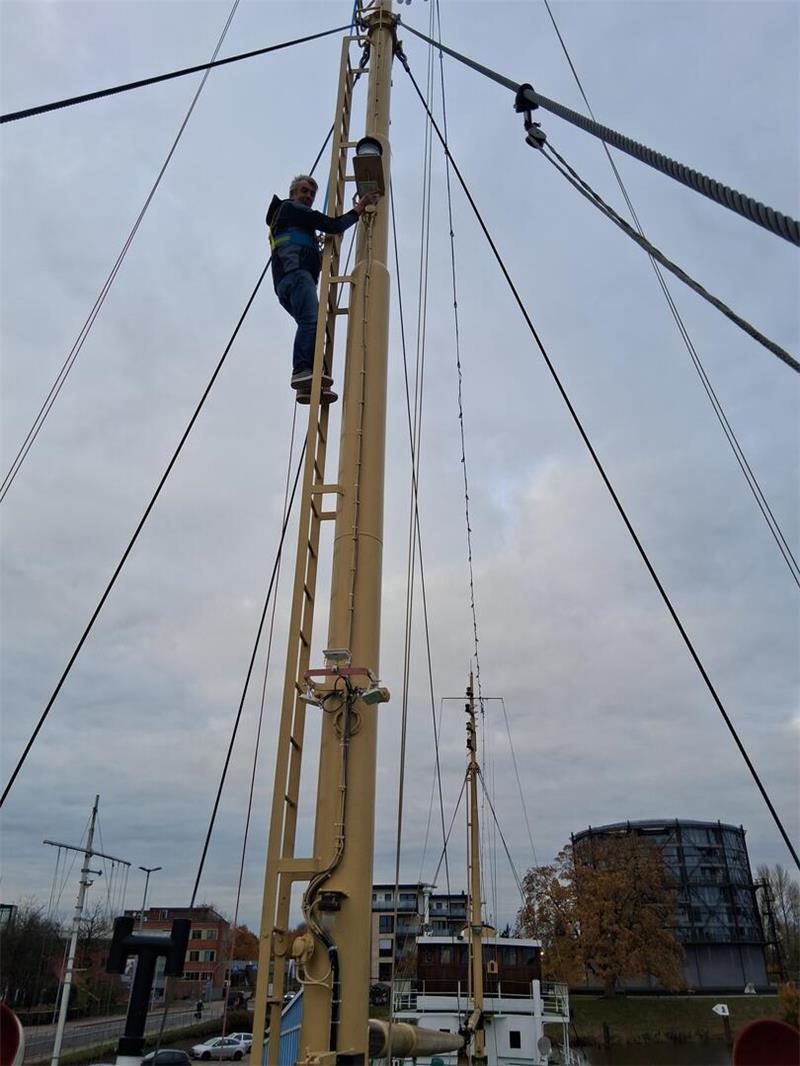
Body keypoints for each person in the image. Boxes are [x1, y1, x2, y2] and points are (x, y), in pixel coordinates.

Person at [267, 174, 380, 403]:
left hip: (286, 282)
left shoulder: (285, 218)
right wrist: (359, 207)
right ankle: (301, 371)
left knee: (312, 326)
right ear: (292, 194)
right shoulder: (292, 209)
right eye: (304, 191)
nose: (308, 196)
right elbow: (332, 225)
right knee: (312, 322)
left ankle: (307, 384)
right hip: (296, 274)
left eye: (311, 193)